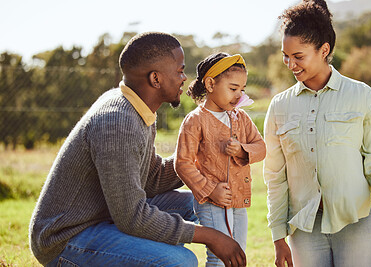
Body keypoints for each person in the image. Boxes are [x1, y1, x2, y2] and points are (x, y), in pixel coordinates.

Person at [29, 32, 247, 267]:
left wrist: (201, 154)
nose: (184, 78)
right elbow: (132, 217)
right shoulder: (117, 122)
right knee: (180, 262)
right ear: (156, 78)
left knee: (197, 201)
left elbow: (150, 178)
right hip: (68, 238)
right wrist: (211, 237)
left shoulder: (138, 108)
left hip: (107, 216)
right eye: (179, 70)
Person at [263, 1, 371, 266]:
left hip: (358, 223)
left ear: (324, 50)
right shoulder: (279, 106)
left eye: (298, 56)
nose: (290, 64)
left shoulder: (362, 96)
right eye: (285, 55)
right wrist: (278, 236)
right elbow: (275, 178)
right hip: (304, 228)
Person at [175, 52, 266, 266]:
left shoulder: (241, 117)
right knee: (219, 257)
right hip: (212, 202)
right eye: (233, 89)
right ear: (210, 84)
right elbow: (183, 163)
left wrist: (242, 150)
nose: (239, 95)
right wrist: (211, 189)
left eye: (242, 90)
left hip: (238, 199)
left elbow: (261, 148)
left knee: (238, 254)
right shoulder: (195, 121)